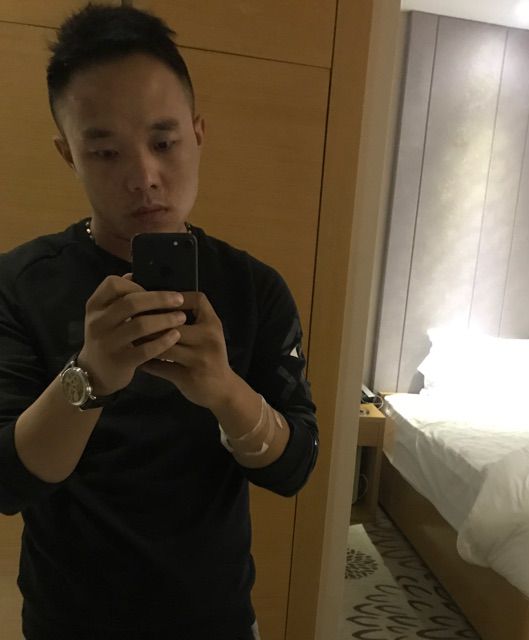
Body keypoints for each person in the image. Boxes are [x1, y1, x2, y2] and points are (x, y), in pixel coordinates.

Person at [0, 4, 318, 639]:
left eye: (164, 142)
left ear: (198, 134)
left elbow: (294, 467)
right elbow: (7, 483)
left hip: (216, 621)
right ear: (69, 155)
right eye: (105, 151)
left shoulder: (254, 288)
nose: (143, 177)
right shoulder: (19, 284)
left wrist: (224, 391)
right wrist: (89, 376)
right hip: (69, 624)